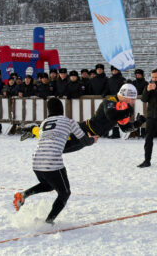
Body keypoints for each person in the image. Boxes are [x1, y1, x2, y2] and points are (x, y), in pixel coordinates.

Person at [13, 97, 98, 225]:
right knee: (65, 193)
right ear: (62, 109)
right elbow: (84, 141)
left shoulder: (44, 123)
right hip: (52, 162)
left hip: (36, 161)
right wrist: (92, 140)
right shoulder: (69, 121)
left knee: (49, 185)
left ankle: (23, 195)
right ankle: (49, 221)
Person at [22, 84, 146, 154]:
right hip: (83, 130)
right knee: (58, 147)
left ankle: (33, 130)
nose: (133, 102)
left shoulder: (124, 107)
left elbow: (124, 129)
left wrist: (137, 123)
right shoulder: (110, 101)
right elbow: (111, 115)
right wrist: (126, 112)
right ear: (125, 96)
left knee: (59, 148)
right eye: (132, 99)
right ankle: (33, 129)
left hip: (91, 136)